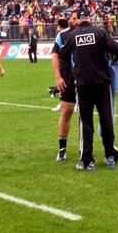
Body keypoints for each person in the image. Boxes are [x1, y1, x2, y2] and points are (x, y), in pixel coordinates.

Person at [58, 11, 118, 171]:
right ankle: (110, 155)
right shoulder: (100, 32)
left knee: (86, 123)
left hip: (83, 84)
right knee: (106, 120)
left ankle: (87, 160)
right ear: (90, 19)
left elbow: (62, 54)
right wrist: (110, 57)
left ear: (79, 21)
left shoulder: (73, 36)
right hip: (102, 83)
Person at [51, 12, 79, 161]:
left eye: (77, 17)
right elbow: (55, 55)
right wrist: (58, 77)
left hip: (87, 80)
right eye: (72, 18)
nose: (74, 20)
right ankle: (62, 150)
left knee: (85, 115)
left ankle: (84, 148)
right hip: (68, 79)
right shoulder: (62, 35)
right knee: (66, 112)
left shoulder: (93, 33)